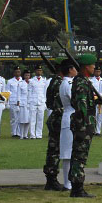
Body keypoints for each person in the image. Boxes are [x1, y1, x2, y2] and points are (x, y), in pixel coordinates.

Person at [68, 53, 102, 197]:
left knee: (79, 155)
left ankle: (76, 186)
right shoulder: (82, 82)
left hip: (84, 124)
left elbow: (87, 102)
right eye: (92, 65)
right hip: (83, 125)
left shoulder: (83, 81)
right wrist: (83, 124)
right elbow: (81, 106)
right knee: (79, 156)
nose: (94, 67)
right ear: (85, 67)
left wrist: (97, 101)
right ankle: (77, 188)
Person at [42, 61, 67, 190]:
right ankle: (52, 179)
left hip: (55, 118)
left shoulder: (54, 81)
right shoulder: (59, 83)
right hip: (59, 119)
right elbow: (58, 104)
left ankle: (51, 179)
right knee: (55, 150)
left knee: (54, 149)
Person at [57, 59, 80, 190]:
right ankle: (67, 183)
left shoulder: (67, 83)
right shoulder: (68, 84)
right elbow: (75, 100)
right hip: (70, 117)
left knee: (71, 153)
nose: (76, 70)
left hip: (71, 117)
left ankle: (70, 181)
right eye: (74, 68)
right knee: (67, 153)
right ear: (70, 70)